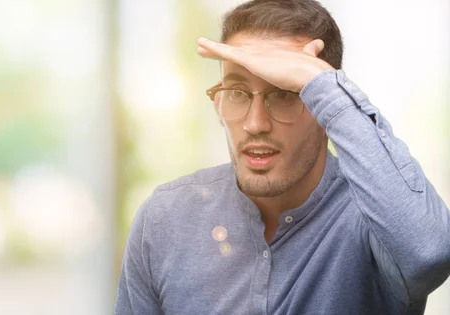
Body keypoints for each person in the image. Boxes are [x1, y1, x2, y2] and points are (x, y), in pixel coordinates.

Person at [114, 0, 450, 314]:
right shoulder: (165, 218)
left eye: (286, 93)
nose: (255, 123)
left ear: (323, 107)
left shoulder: (373, 218)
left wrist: (322, 86)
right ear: (218, 105)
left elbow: (430, 253)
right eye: (237, 92)